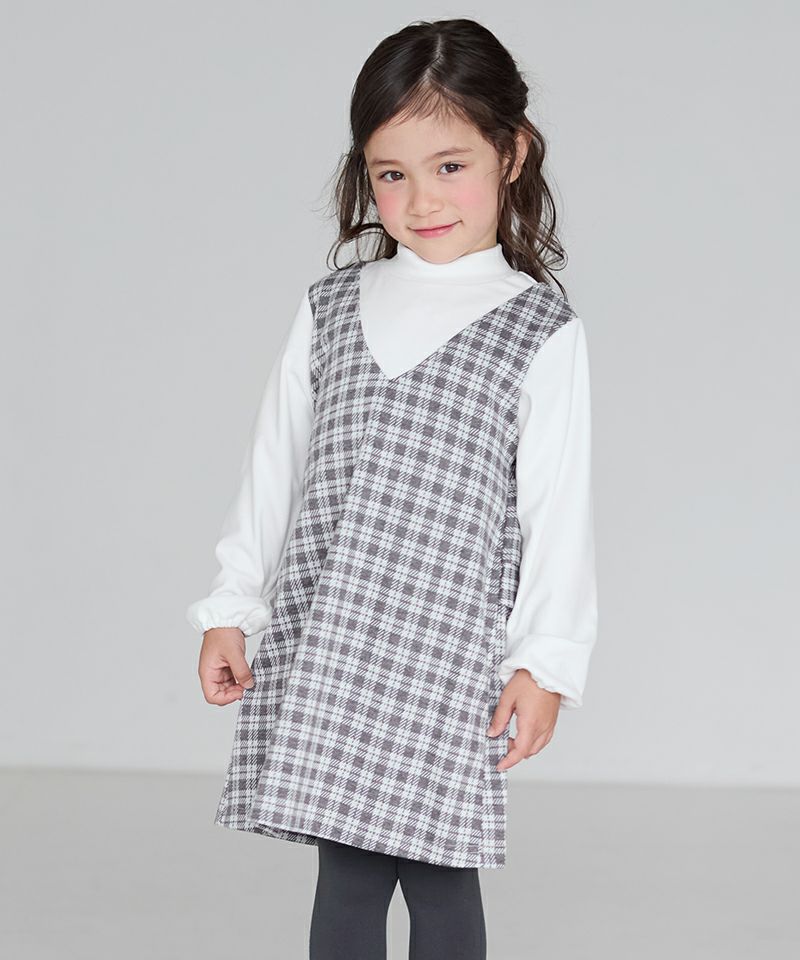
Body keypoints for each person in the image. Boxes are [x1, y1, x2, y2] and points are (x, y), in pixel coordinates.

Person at [186, 17, 598, 960]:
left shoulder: (538, 330)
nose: (421, 199)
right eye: (392, 173)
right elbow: (274, 466)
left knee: (443, 875)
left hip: (450, 653)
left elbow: (557, 510)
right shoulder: (333, 308)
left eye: (450, 166)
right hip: (336, 635)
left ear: (512, 153)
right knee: (348, 873)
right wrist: (231, 606)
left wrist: (545, 663)